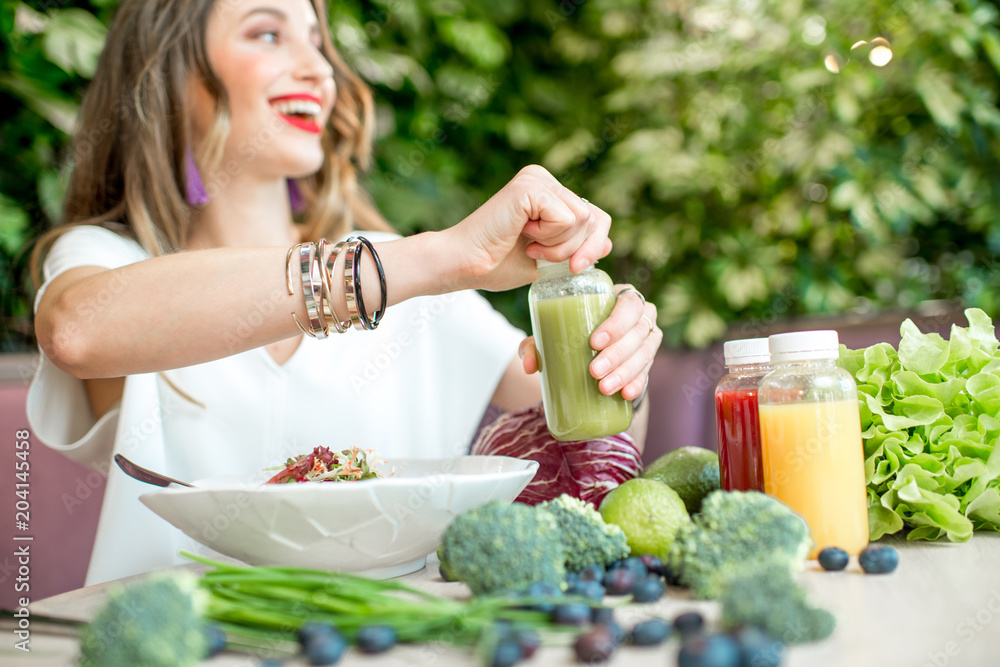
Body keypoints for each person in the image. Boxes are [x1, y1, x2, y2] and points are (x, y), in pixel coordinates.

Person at [27, 0, 662, 586]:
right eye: (267, 33)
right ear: (170, 71)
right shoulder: (111, 259)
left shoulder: (406, 269)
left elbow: (601, 430)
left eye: (318, 42)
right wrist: (441, 256)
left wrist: (612, 342)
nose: (318, 69)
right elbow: (77, 332)